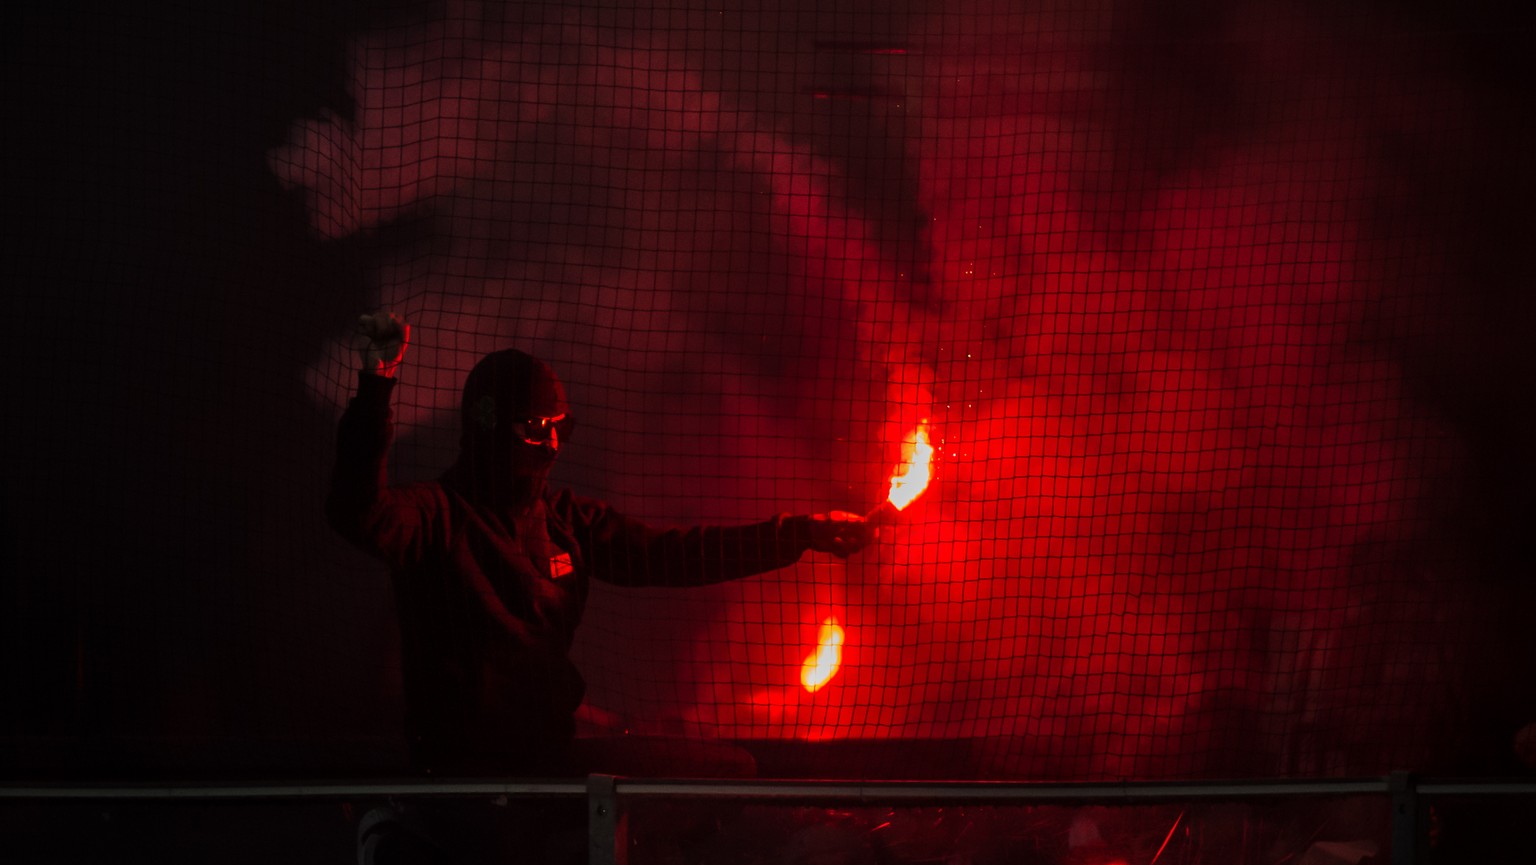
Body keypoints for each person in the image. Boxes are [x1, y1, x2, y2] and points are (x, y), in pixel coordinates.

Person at [328, 312, 876, 779]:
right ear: (489, 424)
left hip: (550, 764)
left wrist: (801, 534)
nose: (552, 444)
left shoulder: (569, 522)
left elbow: (676, 554)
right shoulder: (435, 517)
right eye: (535, 427)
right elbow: (361, 513)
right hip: (459, 776)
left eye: (559, 426)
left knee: (727, 771)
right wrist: (376, 386)